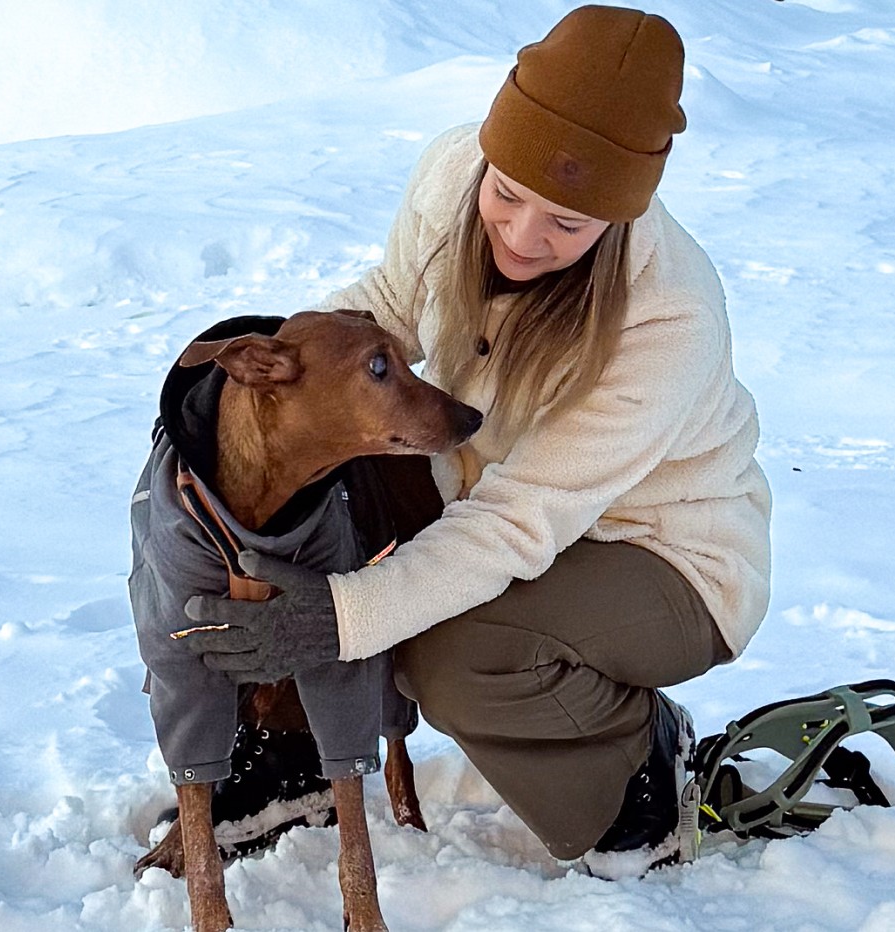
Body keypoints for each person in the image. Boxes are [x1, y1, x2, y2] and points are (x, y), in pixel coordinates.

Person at [179, 5, 772, 865]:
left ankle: (638, 778)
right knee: (305, 483)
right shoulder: (456, 167)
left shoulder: (668, 318)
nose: (524, 238)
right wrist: (260, 387)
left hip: (660, 553)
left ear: (620, 215)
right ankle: (291, 755)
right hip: (485, 491)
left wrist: (342, 616)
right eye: (508, 195)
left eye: (568, 223)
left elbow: (520, 518)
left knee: (446, 653)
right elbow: (389, 307)